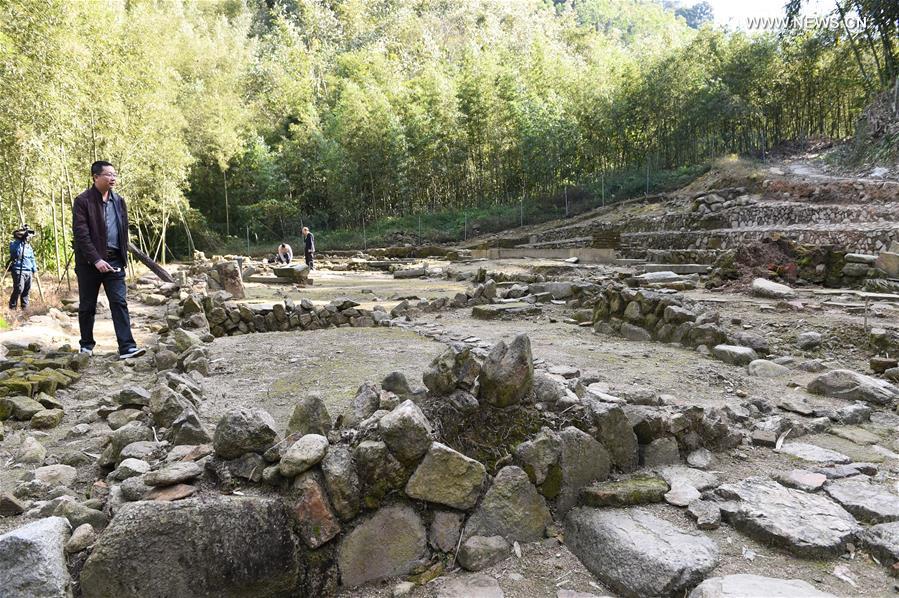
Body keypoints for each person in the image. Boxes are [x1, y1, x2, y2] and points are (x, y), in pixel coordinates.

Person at [72, 161, 145, 359]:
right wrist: (96, 259)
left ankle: (127, 347)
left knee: (119, 302)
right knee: (87, 306)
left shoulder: (119, 201)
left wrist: (122, 257)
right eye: (108, 174)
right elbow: (81, 235)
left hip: (114, 261)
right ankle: (86, 345)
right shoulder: (83, 201)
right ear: (95, 177)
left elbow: (123, 230)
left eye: (115, 174)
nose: (113, 178)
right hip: (89, 264)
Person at [8, 225, 37, 310]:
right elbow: (14, 251)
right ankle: (12, 307)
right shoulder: (15, 244)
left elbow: (32, 259)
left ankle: (25, 309)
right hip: (18, 270)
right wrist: (21, 238)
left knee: (26, 291)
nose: (29, 237)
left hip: (28, 271)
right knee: (19, 289)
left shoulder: (28, 246)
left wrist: (34, 270)